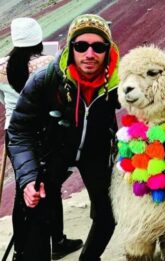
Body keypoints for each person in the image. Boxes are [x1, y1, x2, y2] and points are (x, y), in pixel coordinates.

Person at [7, 14, 120, 261]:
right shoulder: (45, 80)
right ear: (71, 48)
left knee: (108, 212)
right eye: (81, 46)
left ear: (108, 51)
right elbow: (19, 131)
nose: (89, 54)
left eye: (98, 47)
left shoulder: (117, 84)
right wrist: (27, 178)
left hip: (96, 151)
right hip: (54, 149)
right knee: (37, 210)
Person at [0, 17, 83, 260]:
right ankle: (56, 240)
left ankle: (21, 249)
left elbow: (4, 101)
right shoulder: (48, 62)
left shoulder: (1, 66)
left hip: (13, 132)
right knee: (50, 187)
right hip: (43, 132)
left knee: (22, 190)